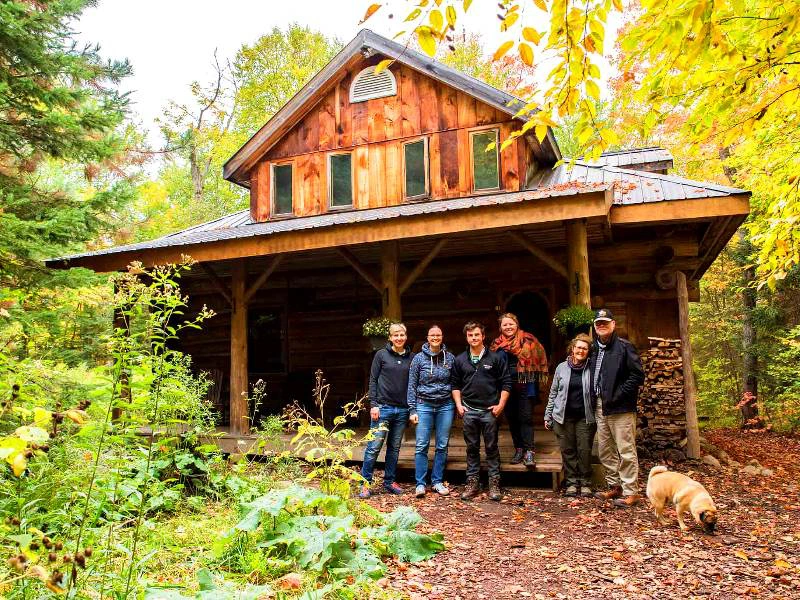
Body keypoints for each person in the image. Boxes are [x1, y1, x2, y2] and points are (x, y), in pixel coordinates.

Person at [450, 321, 512, 501]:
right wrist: (459, 405)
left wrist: (500, 405)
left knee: (491, 448)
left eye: (477, 335)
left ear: (483, 336)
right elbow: (455, 385)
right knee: (472, 448)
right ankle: (472, 482)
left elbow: (506, 383)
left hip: (489, 411)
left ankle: (494, 483)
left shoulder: (495, 358)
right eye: (470, 335)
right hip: (468, 410)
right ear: (467, 337)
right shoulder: (460, 359)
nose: (474, 338)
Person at [589, 308, 645, 508]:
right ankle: (615, 486)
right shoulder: (594, 349)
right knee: (605, 449)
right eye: (598, 323)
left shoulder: (624, 347)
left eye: (605, 322)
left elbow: (637, 376)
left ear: (613, 324)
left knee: (626, 450)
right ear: (595, 327)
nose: (601, 325)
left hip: (621, 407)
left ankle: (631, 492)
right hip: (599, 406)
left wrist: (618, 395)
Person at [360, 322, 415, 498]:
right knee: (374, 447)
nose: (399, 338)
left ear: (406, 337)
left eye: (402, 335)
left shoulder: (412, 357)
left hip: (402, 409)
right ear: (390, 337)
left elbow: (414, 384)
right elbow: (373, 380)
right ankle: (365, 483)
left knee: (394, 447)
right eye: (395, 335)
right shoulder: (381, 355)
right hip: (382, 408)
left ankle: (389, 481)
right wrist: (373, 404)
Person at [490, 313, 549, 467]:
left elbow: (539, 355)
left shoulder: (528, 339)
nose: (508, 327)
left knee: (525, 417)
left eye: (511, 324)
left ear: (517, 324)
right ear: (500, 327)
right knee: (512, 418)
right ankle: (519, 449)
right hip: (504, 386)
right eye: (505, 325)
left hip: (525, 383)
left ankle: (529, 451)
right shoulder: (496, 344)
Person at [544, 334, 596, 497]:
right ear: (572, 349)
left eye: (584, 348)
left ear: (588, 351)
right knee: (568, 450)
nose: (581, 350)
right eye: (578, 347)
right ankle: (572, 482)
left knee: (584, 450)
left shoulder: (592, 367)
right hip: (562, 417)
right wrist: (548, 415)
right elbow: (553, 393)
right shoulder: (561, 368)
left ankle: (586, 482)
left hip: (584, 417)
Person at [407, 324, 456, 498]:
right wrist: (412, 409)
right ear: (427, 338)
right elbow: (411, 385)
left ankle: (436, 481)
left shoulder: (449, 358)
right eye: (432, 335)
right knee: (422, 445)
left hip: (445, 406)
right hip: (423, 405)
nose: (435, 337)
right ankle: (420, 484)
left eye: (438, 335)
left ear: (442, 337)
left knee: (442, 445)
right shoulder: (418, 359)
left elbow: (455, 382)